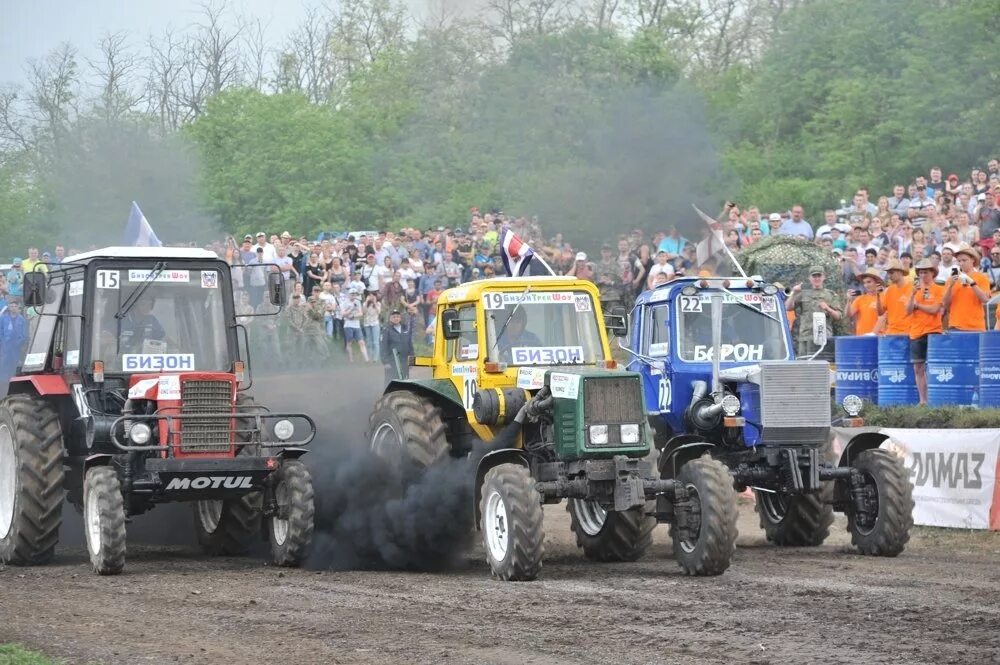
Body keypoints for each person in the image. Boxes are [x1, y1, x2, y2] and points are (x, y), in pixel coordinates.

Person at [907, 259, 945, 405]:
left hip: (934, 331)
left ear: (932, 273)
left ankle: (935, 400)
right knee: (918, 367)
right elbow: (907, 310)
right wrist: (912, 296)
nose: (923, 275)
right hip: (916, 332)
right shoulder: (914, 289)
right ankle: (923, 400)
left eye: (926, 272)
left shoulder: (939, 289)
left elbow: (935, 310)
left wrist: (918, 305)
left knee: (934, 367)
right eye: (921, 272)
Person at [786, 265, 842, 359]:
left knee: (822, 365)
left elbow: (838, 316)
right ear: (809, 278)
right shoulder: (802, 293)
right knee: (804, 365)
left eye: (819, 276)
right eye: (814, 276)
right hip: (805, 337)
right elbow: (788, 307)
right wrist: (794, 293)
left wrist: (828, 309)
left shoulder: (830, 295)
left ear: (824, 277)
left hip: (824, 337)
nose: (817, 278)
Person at [942, 244, 989, 331]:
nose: (961, 263)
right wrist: (950, 286)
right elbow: (945, 303)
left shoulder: (981, 277)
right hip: (956, 325)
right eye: (959, 261)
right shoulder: (951, 279)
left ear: (973, 260)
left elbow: (985, 299)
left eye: (964, 260)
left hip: (976, 326)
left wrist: (971, 282)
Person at [876, 260, 913, 336]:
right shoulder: (889, 290)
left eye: (891, 273)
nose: (889, 276)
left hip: (907, 332)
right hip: (891, 332)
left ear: (900, 272)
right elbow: (880, 312)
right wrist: (878, 296)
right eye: (888, 273)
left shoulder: (912, 289)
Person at [845, 269, 885, 335]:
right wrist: (849, 300)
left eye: (869, 282)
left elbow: (883, 318)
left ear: (877, 282)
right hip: (862, 337)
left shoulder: (884, 297)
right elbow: (848, 314)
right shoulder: (860, 299)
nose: (866, 285)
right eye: (864, 283)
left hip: (879, 337)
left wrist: (873, 333)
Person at [0, 300, 28, 391]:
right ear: (8, 307)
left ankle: (12, 386)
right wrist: (3, 342)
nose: (13, 308)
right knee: (3, 365)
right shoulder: (3, 318)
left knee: (14, 366)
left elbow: (24, 335)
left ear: (18, 307)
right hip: (5, 347)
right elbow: (1, 331)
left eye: (15, 306)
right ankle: (2, 385)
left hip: (16, 348)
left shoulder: (22, 320)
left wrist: (18, 344)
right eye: (11, 306)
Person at [381, 309, 413, 383]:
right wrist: (385, 362)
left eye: (398, 316)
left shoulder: (406, 329)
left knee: (405, 380)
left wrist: (411, 361)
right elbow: (383, 347)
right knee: (391, 381)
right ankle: (389, 394)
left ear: (400, 318)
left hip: (404, 360)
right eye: (394, 317)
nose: (396, 318)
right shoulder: (386, 330)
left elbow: (410, 345)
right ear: (390, 318)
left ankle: (404, 394)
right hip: (392, 360)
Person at [341, 286, 369, 363]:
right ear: (349, 294)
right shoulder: (344, 302)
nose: (354, 296)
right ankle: (351, 360)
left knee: (361, 342)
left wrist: (353, 316)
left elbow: (361, 313)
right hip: (348, 325)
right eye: (352, 294)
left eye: (355, 294)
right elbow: (343, 314)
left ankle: (367, 359)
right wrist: (350, 310)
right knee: (349, 342)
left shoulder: (358, 302)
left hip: (356, 325)